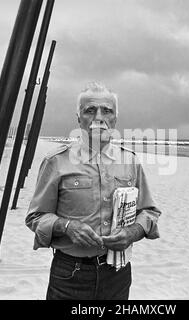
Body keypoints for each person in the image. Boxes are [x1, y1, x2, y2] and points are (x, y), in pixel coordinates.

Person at [25, 82, 161, 300]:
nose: (99, 117)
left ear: (115, 118)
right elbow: (35, 217)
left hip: (118, 272)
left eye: (107, 111)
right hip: (71, 273)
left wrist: (131, 233)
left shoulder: (130, 161)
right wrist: (67, 227)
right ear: (78, 118)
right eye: (90, 110)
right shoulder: (56, 161)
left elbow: (149, 212)